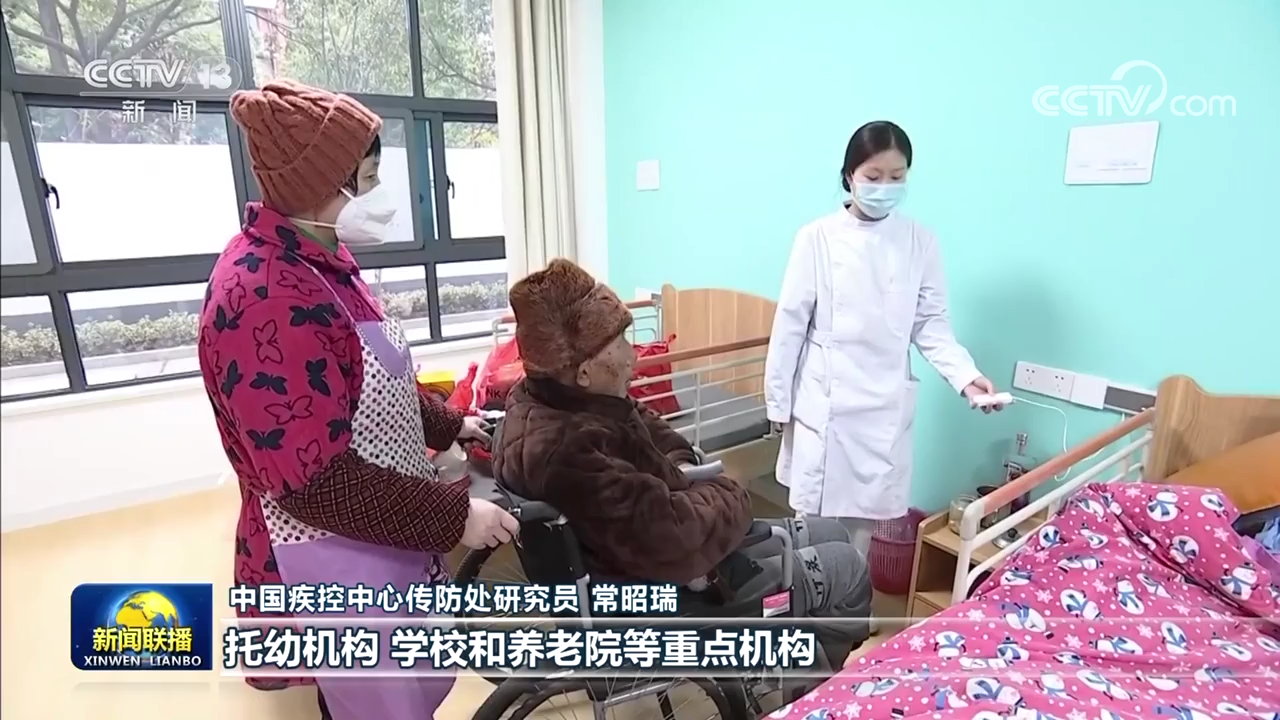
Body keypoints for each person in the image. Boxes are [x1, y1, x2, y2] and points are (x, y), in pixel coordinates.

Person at [198, 80, 519, 720]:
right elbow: (313, 481)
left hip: (380, 528)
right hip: (328, 547)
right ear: (320, 183)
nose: (378, 194)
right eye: (367, 178)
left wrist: (450, 424)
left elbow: (370, 381)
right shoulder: (265, 296)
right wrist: (454, 516)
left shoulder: (321, 259)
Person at [494, 259, 872, 670]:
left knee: (833, 531)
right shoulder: (569, 453)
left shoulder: (554, 403)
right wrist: (727, 491)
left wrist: (680, 466)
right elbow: (673, 535)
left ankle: (795, 663)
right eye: (620, 342)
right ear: (584, 371)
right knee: (849, 569)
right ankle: (810, 689)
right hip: (666, 595)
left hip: (651, 557)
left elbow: (646, 425)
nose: (633, 357)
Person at [764, 120, 1003, 559]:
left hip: (882, 409)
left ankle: (854, 599)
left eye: (897, 177)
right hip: (826, 403)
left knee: (862, 534)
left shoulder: (919, 242)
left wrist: (966, 378)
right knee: (813, 530)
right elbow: (790, 325)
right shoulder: (817, 238)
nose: (885, 188)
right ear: (849, 175)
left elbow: (930, 324)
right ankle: (811, 598)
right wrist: (778, 404)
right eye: (873, 177)